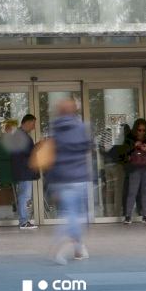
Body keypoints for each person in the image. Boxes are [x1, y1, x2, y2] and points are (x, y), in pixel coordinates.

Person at [48, 97, 93, 265]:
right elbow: (89, 147)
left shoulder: (55, 130)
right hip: (80, 177)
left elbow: (51, 157)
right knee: (77, 215)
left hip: (62, 178)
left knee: (70, 213)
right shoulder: (82, 127)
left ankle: (79, 248)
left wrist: (51, 184)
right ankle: (65, 242)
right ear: (74, 110)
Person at [120, 119, 146, 225]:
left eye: (144, 130)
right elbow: (123, 152)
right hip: (134, 168)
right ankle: (128, 216)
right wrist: (133, 146)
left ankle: (145, 216)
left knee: (145, 192)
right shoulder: (130, 138)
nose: (142, 132)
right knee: (132, 192)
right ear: (136, 129)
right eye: (139, 130)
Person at [8, 114, 39, 229]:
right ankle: (24, 221)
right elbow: (25, 153)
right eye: (33, 124)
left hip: (23, 170)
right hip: (24, 170)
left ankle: (24, 221)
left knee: (24, 196)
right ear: (27, 122)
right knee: (24, 196)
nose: (34, 127)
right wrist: (37, 147)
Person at [0, 120, 15, 211]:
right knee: (10, 186)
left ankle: (11, 202)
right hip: (8, 166)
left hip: (4, 166)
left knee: (7, 186)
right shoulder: (6, 140)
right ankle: (12, 202)